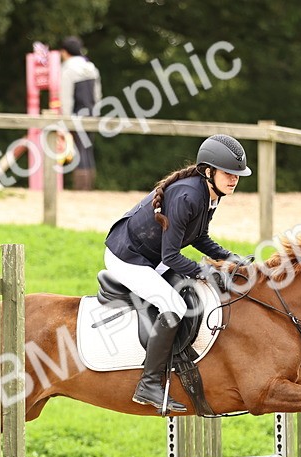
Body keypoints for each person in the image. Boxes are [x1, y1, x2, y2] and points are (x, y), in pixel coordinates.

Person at [103, 134, 252, 413]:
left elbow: (199, 238)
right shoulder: (188, 196)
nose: (234, 179)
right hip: (128, 258)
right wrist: (205, 271)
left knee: (192, 293)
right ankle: (148, 384)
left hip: (153, 256)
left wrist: (233, 259)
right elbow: (172, 256)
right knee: (174, 305)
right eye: (228, 173)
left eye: (237, 175)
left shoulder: (210, 195)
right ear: (209, 172)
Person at [56, 36, 101, 191]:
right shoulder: (91, 67)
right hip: (91, 114)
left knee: (79, 151)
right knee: (87, 150)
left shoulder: (67, 69)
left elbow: (66, 98)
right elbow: (97, 95)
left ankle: (81, 189)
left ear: (65, 52)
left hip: (76, 115)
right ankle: (88, 187)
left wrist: (66, 120)